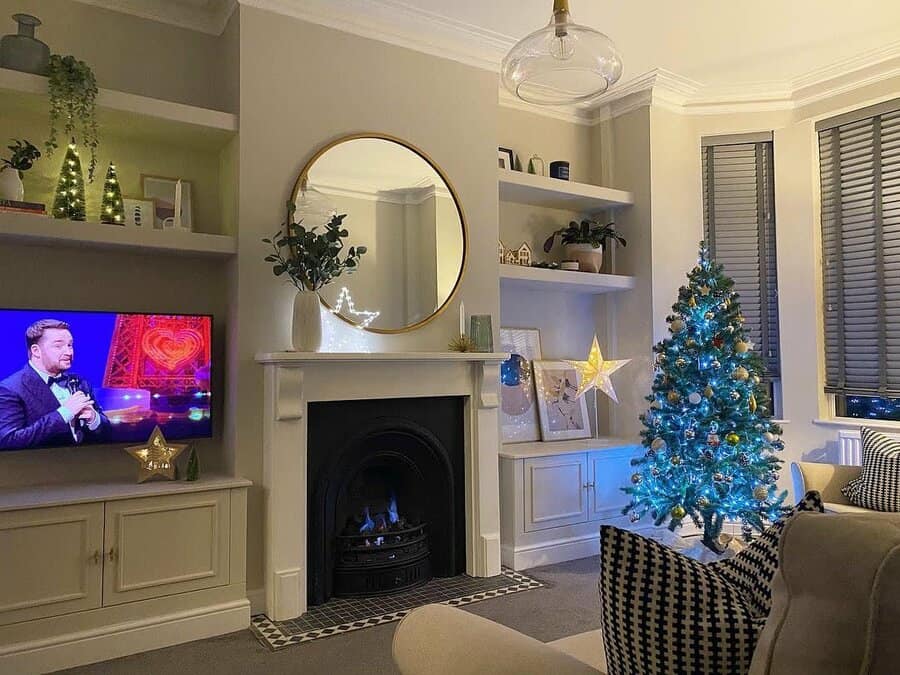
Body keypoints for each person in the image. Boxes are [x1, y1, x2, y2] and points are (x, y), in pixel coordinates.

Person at [0, 319, 109, 450]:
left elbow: (108, 433)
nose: (69, 352)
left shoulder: (81, 383)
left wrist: (94, 419)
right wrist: (64, 413)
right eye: (58, 346)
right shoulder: (10, 388)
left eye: (70, 345)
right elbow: (8, 441)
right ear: (36, 351)